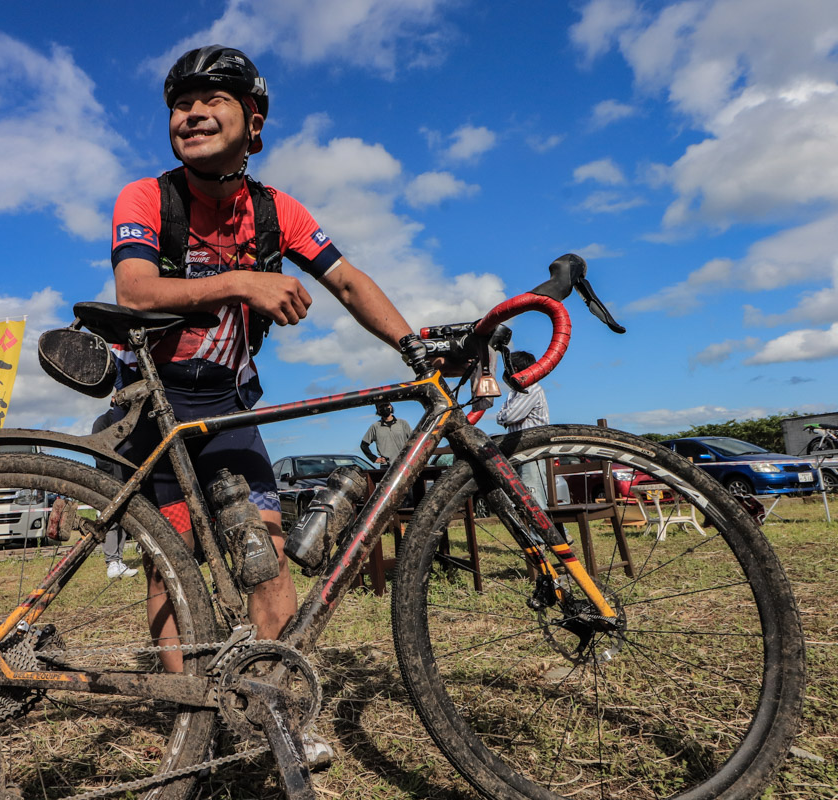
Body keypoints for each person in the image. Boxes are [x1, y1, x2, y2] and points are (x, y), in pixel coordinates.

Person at [111, 44, 421, 767]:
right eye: (179, 104)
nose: (190, 112)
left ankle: (277, 708)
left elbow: (345, 281)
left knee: (266, 557)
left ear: (254, 122)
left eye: (211, 99)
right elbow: (135, 292)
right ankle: (195, 725)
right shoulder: (147, 198)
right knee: (173, 567)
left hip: (226, 402)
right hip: (157, 407)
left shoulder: (277, 211)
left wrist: (414, 346)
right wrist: (246, 281)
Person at [495, 351, 550, 505]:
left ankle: (554, 530)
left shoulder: (531, 389)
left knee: (535, 499)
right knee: (522, 499)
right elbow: (502, 416)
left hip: (532, 452)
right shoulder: (515, 392)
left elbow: (509, 416)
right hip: (519, 451)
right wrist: (504, 416)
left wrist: (504, 416)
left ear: (516, 368)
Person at [92, 405, 138, 579]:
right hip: (109, 479)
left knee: (123, 520)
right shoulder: (103, 421)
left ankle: (118, 561)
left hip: (126, 478)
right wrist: (111, 474)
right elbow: (98, 451)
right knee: (111, 521)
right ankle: (112, 562)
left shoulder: (129, 423)